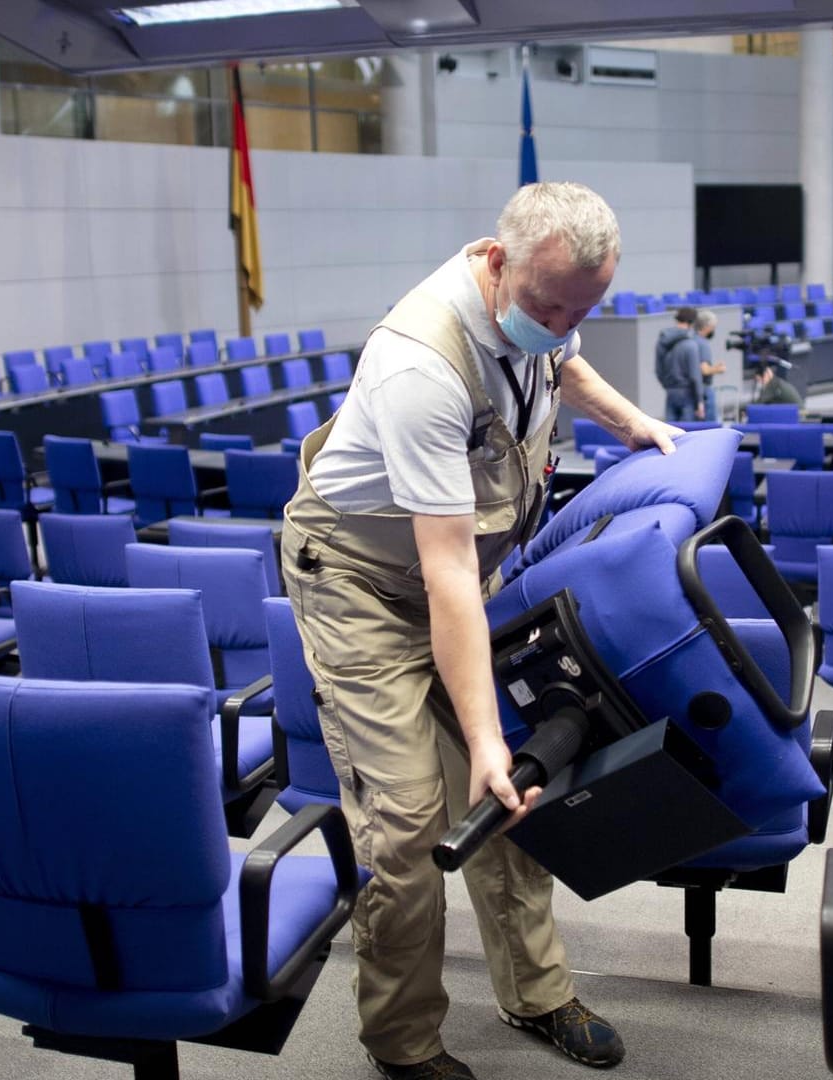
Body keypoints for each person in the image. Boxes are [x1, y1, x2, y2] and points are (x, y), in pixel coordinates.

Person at [285, 182, 677, 1080]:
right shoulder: (422, 364)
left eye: (585, 307)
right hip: (363, 585)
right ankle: (403, 1041)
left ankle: (536, 994)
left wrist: (634, 422)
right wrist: (483, 735)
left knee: (507, 795)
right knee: (412, 820)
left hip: (452, 565)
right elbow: (448, 575)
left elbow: (561, 361)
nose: (564, 321)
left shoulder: (540, 295)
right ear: (497, 265)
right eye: (549, 305)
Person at [655, 306, 705, 421]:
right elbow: (694, 376)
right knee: (686, 434)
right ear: (691, 323)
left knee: (671, 433)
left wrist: (667, 385)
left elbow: (658, 370)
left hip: (670, 392)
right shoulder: (691, 345)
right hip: (687, 393)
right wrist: (699, 400)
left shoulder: (662, 340)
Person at [695, 308, 724, 421]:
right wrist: (718, 369)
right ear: (707, 326)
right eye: (713, 327)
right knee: (710, 423)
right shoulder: (703, 344)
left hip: (693, 389)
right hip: (704, 389)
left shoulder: (691, 339)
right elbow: (704, 370)